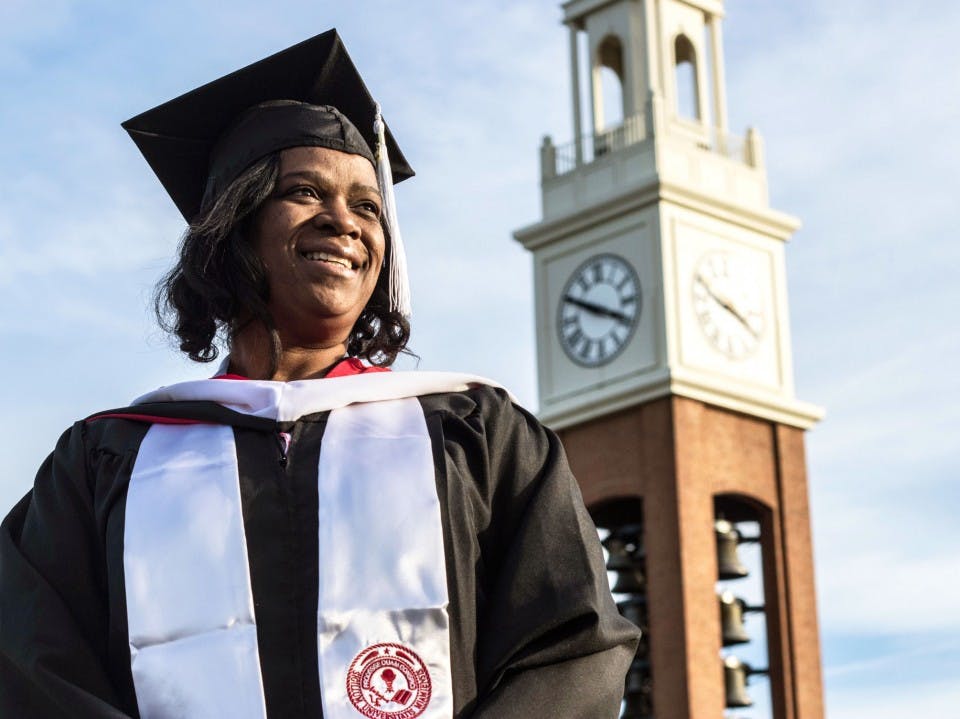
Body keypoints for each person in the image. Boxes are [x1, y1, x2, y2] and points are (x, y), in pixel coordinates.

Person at [0, 29, 639, 719]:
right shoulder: (108, 461)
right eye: (305, 191)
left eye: (368, 206)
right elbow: (31, 664)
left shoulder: (477, 438)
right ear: (234, 224)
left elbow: (572, 647)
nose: (344, 222)